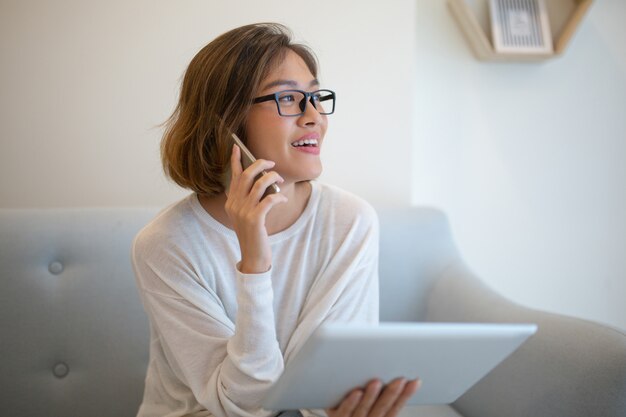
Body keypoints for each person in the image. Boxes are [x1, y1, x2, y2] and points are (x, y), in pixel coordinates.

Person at [131, 22, 419, 417]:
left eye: (316, 97)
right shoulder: (166, 244)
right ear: (227, 121)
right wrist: (254, 263)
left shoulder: (350, 221)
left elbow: (329, 384)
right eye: (288, 98)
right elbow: (243, 404)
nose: (314, 116)